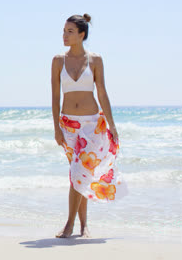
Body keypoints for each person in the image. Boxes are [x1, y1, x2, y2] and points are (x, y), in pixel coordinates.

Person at [51, 13, 128, 238]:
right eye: (64, 31)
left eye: (70, 32)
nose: (64, 35)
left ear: (82, 35)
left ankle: (70, 225)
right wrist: (56, 127)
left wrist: (112, 125)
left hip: (91, 125)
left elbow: (102, 92)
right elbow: (55, 96)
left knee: (78, 173)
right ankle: (84, 226)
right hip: (68, 125)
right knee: (80, 175)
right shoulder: (57, 61)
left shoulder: (95, 60)